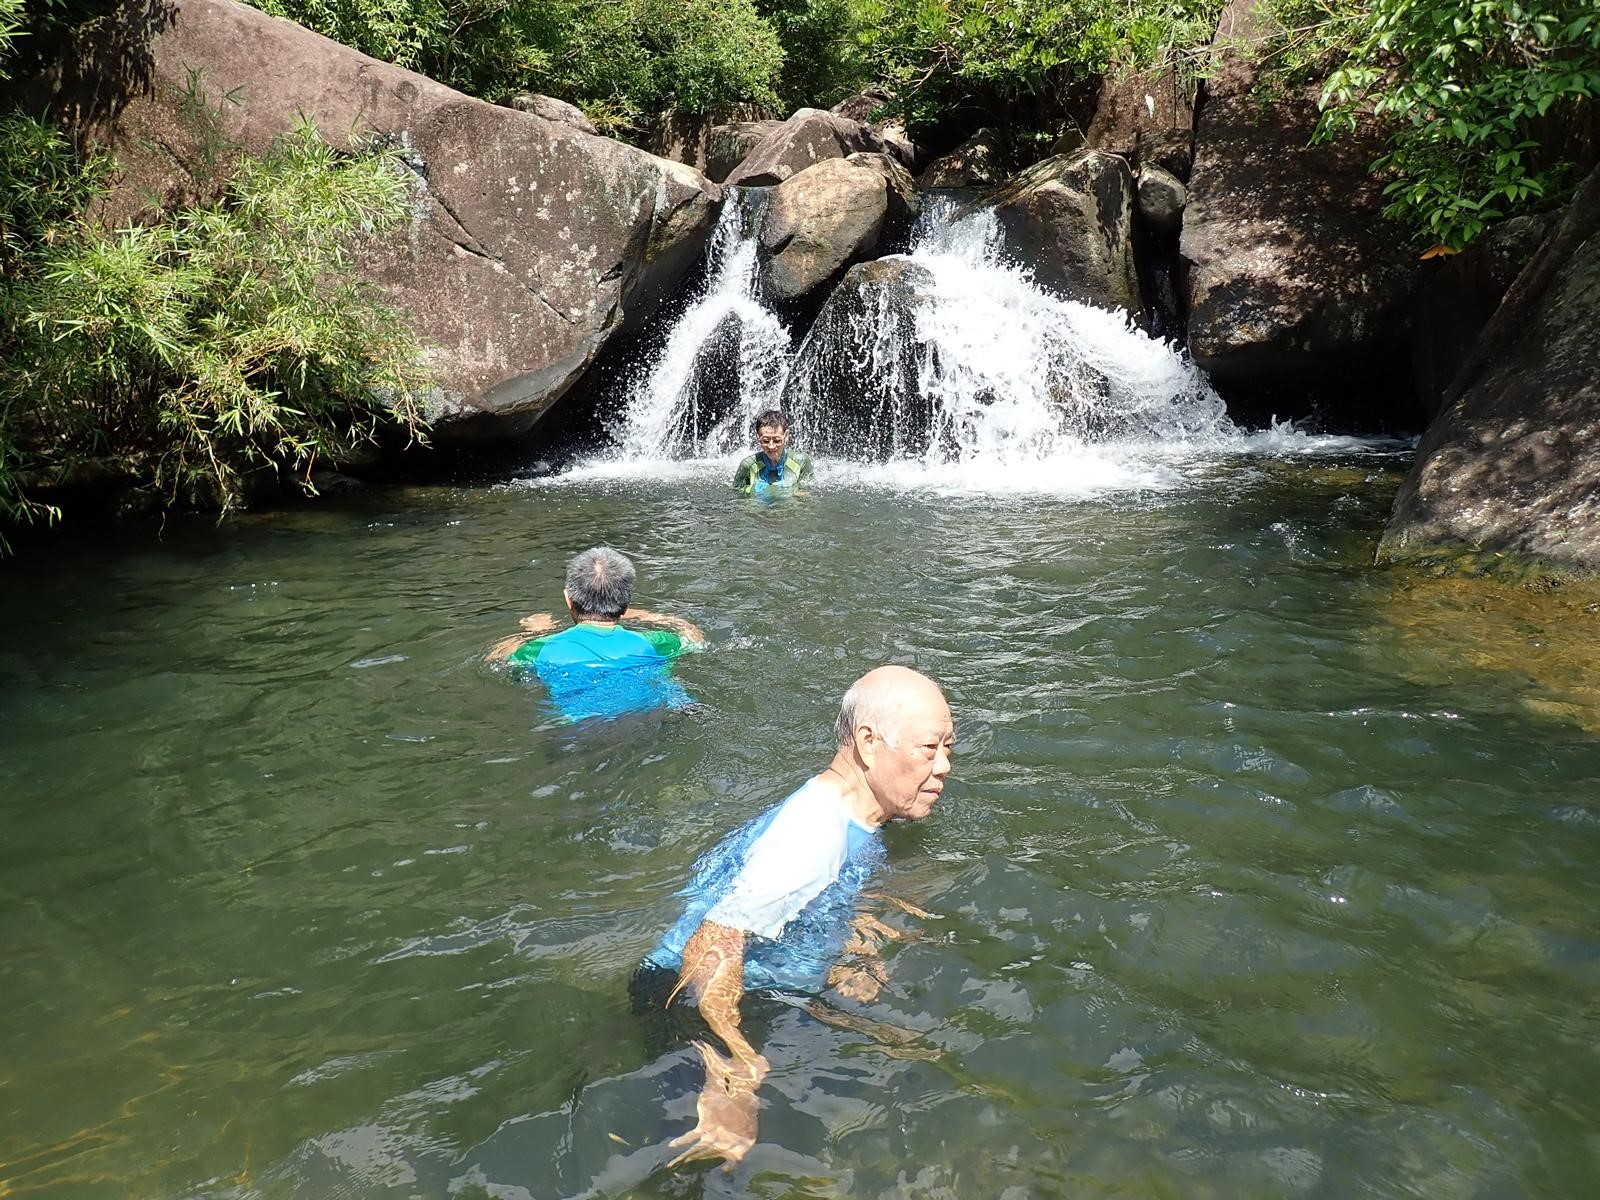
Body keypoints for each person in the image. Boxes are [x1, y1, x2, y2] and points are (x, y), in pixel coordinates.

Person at [640, 665, 955, 1169]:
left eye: (948, 748)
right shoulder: (812, 834)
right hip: (703, 1012)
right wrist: (734, 1070)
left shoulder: (850, 813)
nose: (943, 766)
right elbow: (713, 940)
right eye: (929, 748)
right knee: (716, 1175)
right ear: (868, 743)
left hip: (746, 1001)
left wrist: (857, 939)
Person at [488, 547, 705, 721]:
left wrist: (536, 632)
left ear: (568, 600)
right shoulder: (656, 642)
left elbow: (496, 657)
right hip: (654, 715)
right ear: (626, 603)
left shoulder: (539, 649)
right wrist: (657, 617)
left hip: (580, 728)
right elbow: (696, 640)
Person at [731, 409, 813, 497]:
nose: (771, 446)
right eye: (765, 441)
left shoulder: (801, 461)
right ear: (757, 436)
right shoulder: (748, 465)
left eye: (777, 440)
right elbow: (737, 495)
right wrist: (752, 491)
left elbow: (808, 491)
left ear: (786, 436)